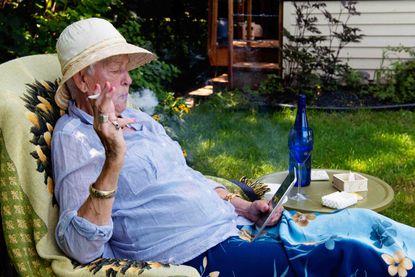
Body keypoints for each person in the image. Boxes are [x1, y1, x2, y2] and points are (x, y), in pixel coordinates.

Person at [52, 18, 415, 277]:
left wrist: (241, 205)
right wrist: (114, 157)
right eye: (116, 69)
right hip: (200, 253)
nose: (128, 78)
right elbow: (80, 248)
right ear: (84, 79)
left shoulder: (138, 119)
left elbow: (186, 175)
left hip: (235, 226)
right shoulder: (76, 138)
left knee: (362, 222)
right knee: (352, 256)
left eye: (126, 69)